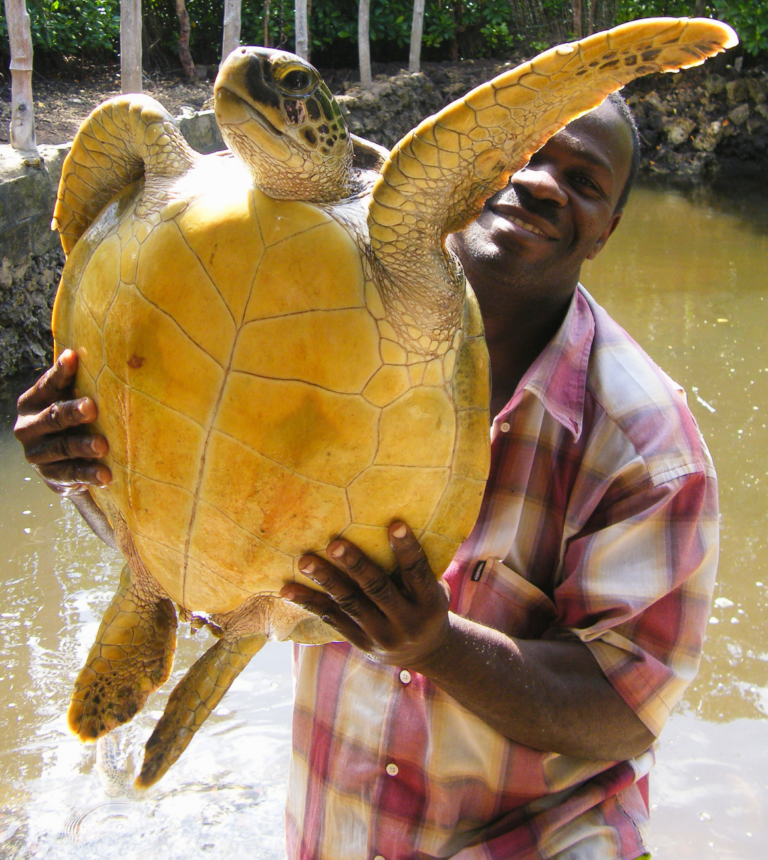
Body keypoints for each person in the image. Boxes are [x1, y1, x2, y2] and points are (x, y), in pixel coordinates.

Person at [15, 93, 719, 860]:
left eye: (585, 180)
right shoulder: (309, 291)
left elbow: (625, 708)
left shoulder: (648, 449)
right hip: (336, 830)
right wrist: (79, 454)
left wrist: (437, 644)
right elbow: (209, 468)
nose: (544, 183)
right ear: (474, 164)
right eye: (524, 152)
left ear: (610, 228)